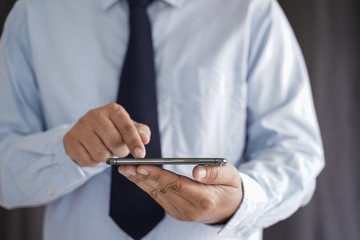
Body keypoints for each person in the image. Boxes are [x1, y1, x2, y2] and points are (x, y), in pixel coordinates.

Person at [0, 0, 324, 239]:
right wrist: (65, 150)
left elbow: (297, 153)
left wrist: (237, 202)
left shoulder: (251, 11)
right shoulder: (36, 13)